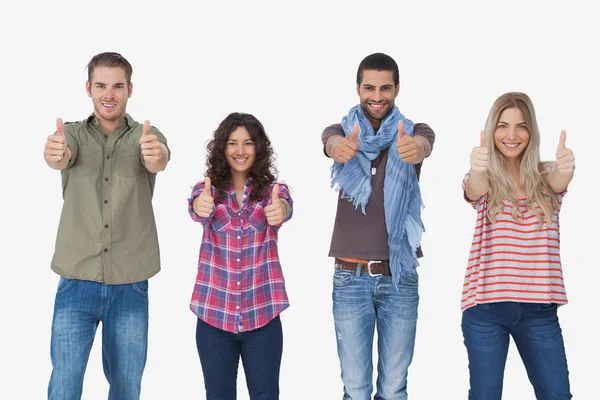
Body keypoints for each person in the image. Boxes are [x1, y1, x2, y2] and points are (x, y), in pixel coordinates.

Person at [43, 52, 170, 400]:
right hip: (76, 280)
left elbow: (158, 158)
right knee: (64, 386)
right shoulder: (70, 134)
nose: (109, 94)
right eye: (101, 85)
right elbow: (59, 154)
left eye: (117, 86)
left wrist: (154, 155)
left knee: (127, 389)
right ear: (89, 88)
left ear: (130, 89)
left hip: (130, 283)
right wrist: (56, 154)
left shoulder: (148, 135)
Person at [321, 52, 435, 399]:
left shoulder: (413, 132)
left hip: (399, 278)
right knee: (355, 389)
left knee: (393, 388)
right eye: (369, 87)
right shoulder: (342, 131)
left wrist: (416, 147)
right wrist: (337, 148)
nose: (377, 95)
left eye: (386, 87)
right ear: (357, 88)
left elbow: (425, 142)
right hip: (350, 278)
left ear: (397, 89)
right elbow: (330, 141)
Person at [462, 92, 574, 399]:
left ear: (531, 131)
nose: (512, 135)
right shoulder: (484, 176)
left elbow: (562, 178)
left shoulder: (547, 175)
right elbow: (475, 187)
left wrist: (568, 165)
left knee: (557, 395)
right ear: (492, 129)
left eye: (521, 126)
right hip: (486, 307)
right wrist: (477, 166)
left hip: (540, 309)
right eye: (503, 126)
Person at [188, 112, 293, 400]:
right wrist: (201, 205)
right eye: (233, 143)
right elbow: (196, 206)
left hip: (262, 318)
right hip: (214, 319)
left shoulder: (273, 191)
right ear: (223, 148)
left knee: (266, 394)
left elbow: (285, 204)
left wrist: (281, 210)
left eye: (248, 143)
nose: (240, 150)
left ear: (258, 148)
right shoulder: (207, 189)